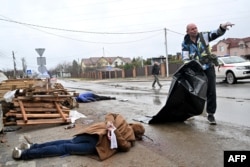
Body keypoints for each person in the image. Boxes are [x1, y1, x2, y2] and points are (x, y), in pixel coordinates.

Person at [12, 113, 145, 160]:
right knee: (65, 148)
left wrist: (109, 124)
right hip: (96, 144)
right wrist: (114, 130)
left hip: (91, 133)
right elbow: (124, 147)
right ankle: (24, 154)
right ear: (137, 135)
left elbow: (110, 114)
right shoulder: (130, 138)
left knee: (65, 142)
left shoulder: (121, 119)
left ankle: (31, 146)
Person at [181, 22, 234, 125]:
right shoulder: (185, 43)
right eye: (192, 29)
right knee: (193, 92)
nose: (195, 30)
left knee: (211, 91)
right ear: (187, 31)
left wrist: (221, 27)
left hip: (208, 66)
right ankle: (189, 113)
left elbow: (215, 33)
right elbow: (185, 58)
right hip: (196, 69)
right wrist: (190, 67)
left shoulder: (203, 36)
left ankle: (210, 114)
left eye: (195, 28)